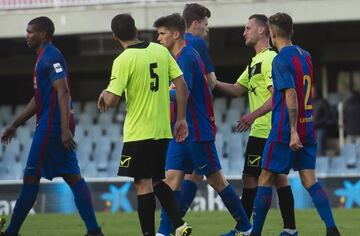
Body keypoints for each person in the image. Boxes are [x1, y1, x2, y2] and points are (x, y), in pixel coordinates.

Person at [0, 16, 103, 236]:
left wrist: (65, 128)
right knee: (73, 176)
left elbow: (63, 91)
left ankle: (11, 233)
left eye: (30, 32)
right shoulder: (43, 58)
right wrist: (16, 124)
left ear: (43, 34)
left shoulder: (51, 56)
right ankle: (94, 231)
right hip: (54, 123)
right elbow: (39, 99)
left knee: (31, 177)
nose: (26, 35)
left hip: (52, 126)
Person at [153, 13, 252, 236]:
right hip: (181, 132)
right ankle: (163, 232)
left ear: (176, 34)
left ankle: (246, 229)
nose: (158, 38)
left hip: (196, 131)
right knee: (171, 181)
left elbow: (183, 91)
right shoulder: (177, 58)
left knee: (217, 181)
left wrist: (154, 95)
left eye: (162, 34)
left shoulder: (187, 56)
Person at [96, 14, 191, 236]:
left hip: (139, 131)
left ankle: (149, 234)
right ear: (136, 29)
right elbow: (181, 84)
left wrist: (103, 92)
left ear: (114, 37)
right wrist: (180, 119)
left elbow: (111, 101)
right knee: (157, 180)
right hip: (161, 129)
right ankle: (179, 224)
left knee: (142, 184)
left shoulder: (123, 60)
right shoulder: (160, 51)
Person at [249, 13, 341, 236]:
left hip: (284, 130)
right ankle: (332, 229)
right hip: (307, 127)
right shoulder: (305, 55)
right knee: (310, 180)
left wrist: (291, 131)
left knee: (265, 178)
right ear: (291, 31)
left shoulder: (280, 59)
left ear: (271, 33)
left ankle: (255, 233)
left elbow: (290, 94)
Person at [212, 14, 297, 236]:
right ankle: (288, 228)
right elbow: (235, 89)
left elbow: (276, 97)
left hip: (266, 129)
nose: (244, 32)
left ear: (262, 31)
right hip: (263, 130)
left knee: (253, 177)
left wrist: (252, 116)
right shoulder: (254, 62)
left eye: (248, 28)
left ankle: (245, 229)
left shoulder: (269, 59)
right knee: (276, 178)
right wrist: (211, 81)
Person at [156, 5, 220, 233]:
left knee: (175, 177)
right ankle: (176, 222)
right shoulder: (196, 45)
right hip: (195, 121)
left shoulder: (170, 50)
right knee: (200, 175)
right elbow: (210, 82)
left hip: (174, 120)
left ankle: (171, 226)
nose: (206, 29)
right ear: (194, 24)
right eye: (205, 23)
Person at [312, 87, 331, 156]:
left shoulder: (323, 102)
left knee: (320, 148)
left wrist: (317, 123)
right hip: (309, 130)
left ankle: (322, 164)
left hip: (320, 129)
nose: (311, 93)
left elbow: (328, 116)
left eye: (313, 91)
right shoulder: (307, 102)